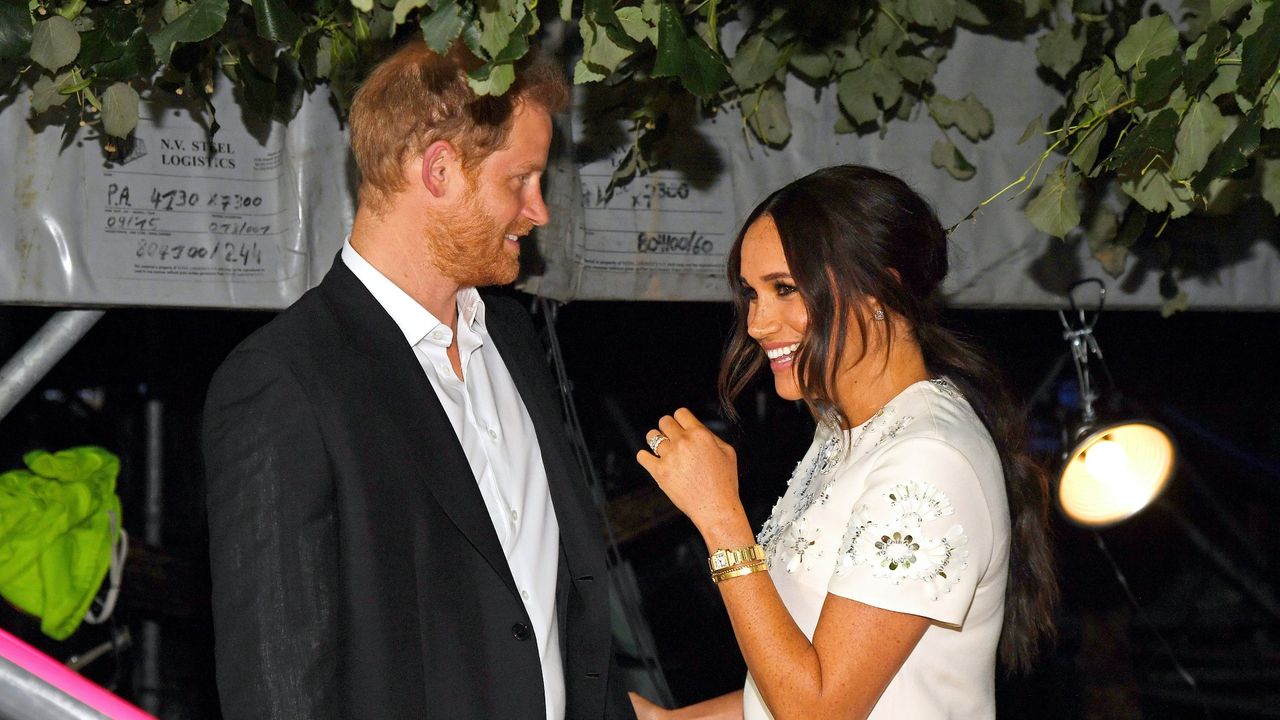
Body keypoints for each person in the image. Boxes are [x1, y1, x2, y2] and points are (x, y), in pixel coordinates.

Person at [203, 40, 632, 720]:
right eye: (519, 180)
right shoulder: (286, 380)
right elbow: (280, 691)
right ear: (438, 171)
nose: (539, 211)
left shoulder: (514, 341)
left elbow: (551, 609)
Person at [631, 165, 1058, 719]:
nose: (758, 324)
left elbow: (817, 711)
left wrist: (721, 519)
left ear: (882, 288)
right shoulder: (848, 433)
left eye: (785, 289)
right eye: (751, 294)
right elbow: (800, 678)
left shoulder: (927, 460)